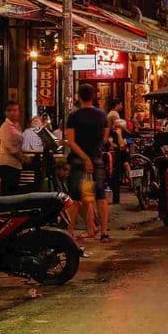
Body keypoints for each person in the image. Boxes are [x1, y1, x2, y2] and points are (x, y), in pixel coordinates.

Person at [66, 84, 111, 243]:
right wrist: (93, 155)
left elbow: (71, 141)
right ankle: (104, 233)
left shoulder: (74, 117)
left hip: (79, 160)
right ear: (93, 96)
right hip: (97, 159)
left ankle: (69, 233)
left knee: (75, 198)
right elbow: (105, 139)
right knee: (100, 196)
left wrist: (84, 157)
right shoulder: (102, 116)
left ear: (79, 97)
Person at [0, 101, 24, 195]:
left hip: (15, 164)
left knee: (13, 192)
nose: (12, 113)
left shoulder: (16, 126)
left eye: (15, 110)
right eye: (9, 110)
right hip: (7, 164)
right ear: (5, 113)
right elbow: (11, 148)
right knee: (8, 194)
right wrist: (22, 158)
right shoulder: (6, 127)